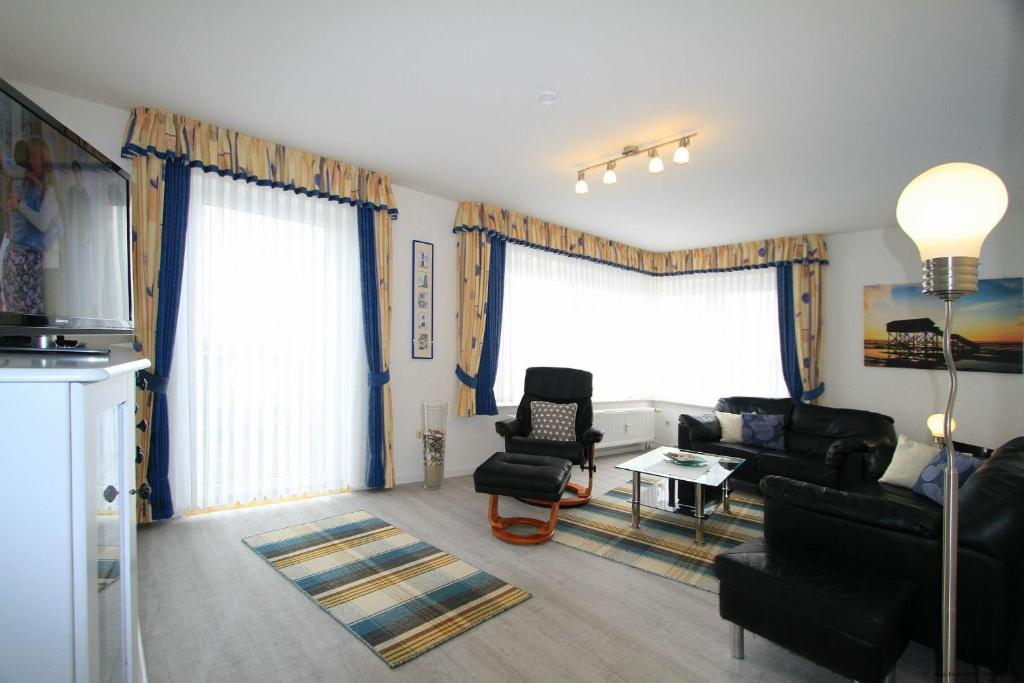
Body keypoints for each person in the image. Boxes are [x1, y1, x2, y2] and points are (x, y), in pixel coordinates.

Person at [1, 137, 62, 314]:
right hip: (24, 260)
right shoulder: (25, 185)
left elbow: (43, 224)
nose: (31, 160)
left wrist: (20, 204)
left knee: (37, 316)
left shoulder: (47, 189)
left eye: (36, 156)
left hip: (42, 264)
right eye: (30, 156)